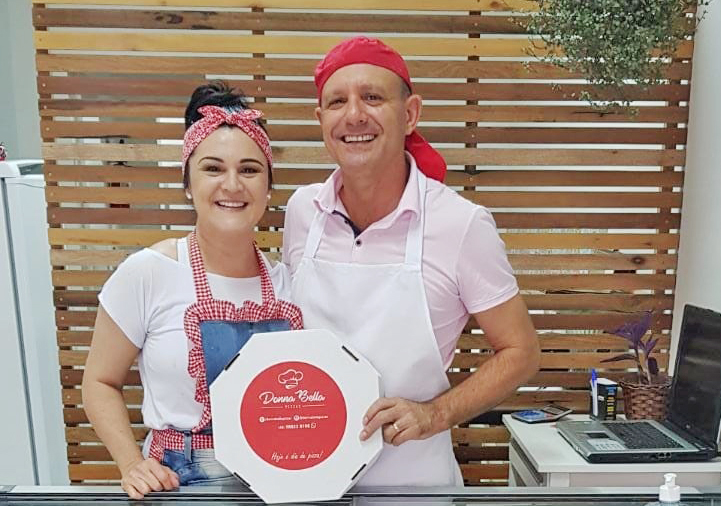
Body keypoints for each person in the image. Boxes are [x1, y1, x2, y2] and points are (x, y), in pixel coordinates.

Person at [282, 37, 540, 486]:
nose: (354, 115)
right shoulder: (302, 212)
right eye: (337, 101)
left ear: (410, 114)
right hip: (309, 483)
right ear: (320, 119)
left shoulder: (461, 224)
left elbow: (522, 352)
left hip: (415, 485)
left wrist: (435, 414)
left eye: (372, 97)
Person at [82, 82, 303, 499]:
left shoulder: (288, 284)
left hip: (277, 479)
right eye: (213, 168)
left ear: (268, 188)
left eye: (249, 170)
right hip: (179, 482)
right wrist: (131, 464)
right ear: (187, 182)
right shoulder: (148, 273)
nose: (232, 185)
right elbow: (99, 381)